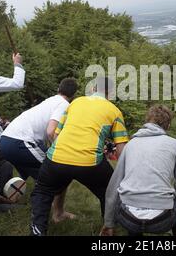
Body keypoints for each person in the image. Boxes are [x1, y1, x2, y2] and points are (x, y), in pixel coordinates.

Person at [30, 77, 129, 236]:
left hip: (56, 157)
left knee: (42, 192)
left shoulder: (75, 103)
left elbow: (56, 133)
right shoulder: (114, 111)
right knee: (109, 192)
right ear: (110, 93)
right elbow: (121, 149)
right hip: (89, 163)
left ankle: (37, 231)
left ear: (92, 89)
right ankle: (107, 228)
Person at [100, 105, 176, 236]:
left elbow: (113, 187)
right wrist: (165, 198)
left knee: (128, 203)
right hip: (163, 220)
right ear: (168, 125)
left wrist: (108, 223)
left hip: (127, 218)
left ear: (146, 122)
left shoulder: (130, 144)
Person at [0, 77, 78, 221]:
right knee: (58, 173)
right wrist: (61, 151)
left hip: (5, 140)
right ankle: (56, 214)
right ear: (73, 96)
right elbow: (50, 131)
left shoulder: (50, 100)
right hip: (20, 141)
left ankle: (12, 202)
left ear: (58, 89)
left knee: (41, 175)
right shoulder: (64, 104)